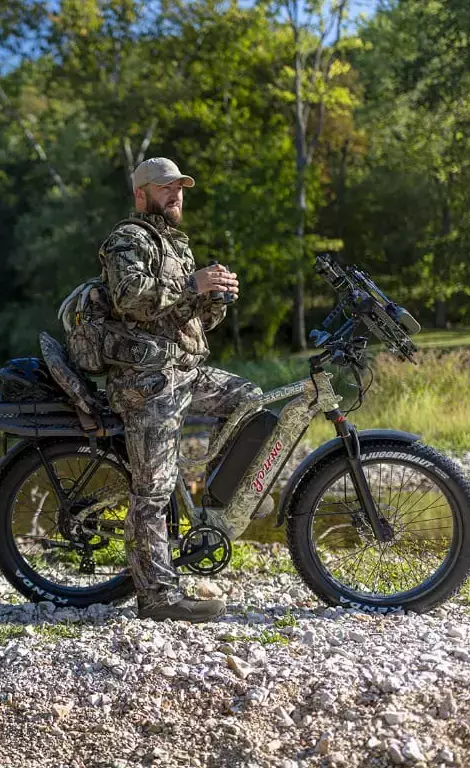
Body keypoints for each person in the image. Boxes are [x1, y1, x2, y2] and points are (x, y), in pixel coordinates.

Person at [99, 157, 263, 623]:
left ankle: (214, 505)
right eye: (165, 187)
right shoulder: (127, 239)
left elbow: (186, 317)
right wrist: (194, 283)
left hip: (185, 369)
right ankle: (157, 598)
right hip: (146, 379)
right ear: (141, 194)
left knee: (252, 404)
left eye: (180, 188)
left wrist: (215, 301)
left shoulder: (178, 246)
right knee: (152, 490)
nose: (175, 195)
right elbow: (130, 297)